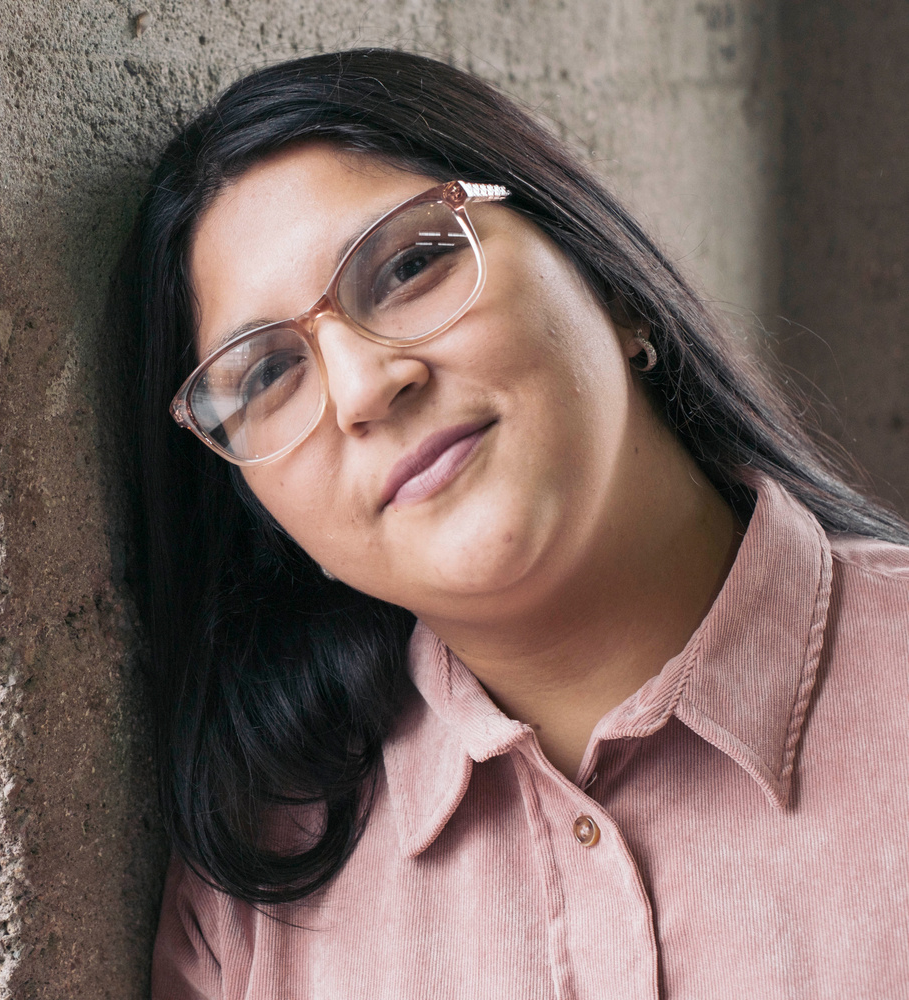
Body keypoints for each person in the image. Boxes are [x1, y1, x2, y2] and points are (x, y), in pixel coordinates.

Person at [116, 49, 909, 998]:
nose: (367, 385)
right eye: (270, 376)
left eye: (410, 264)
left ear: (604, 279)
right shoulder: (258, 884)